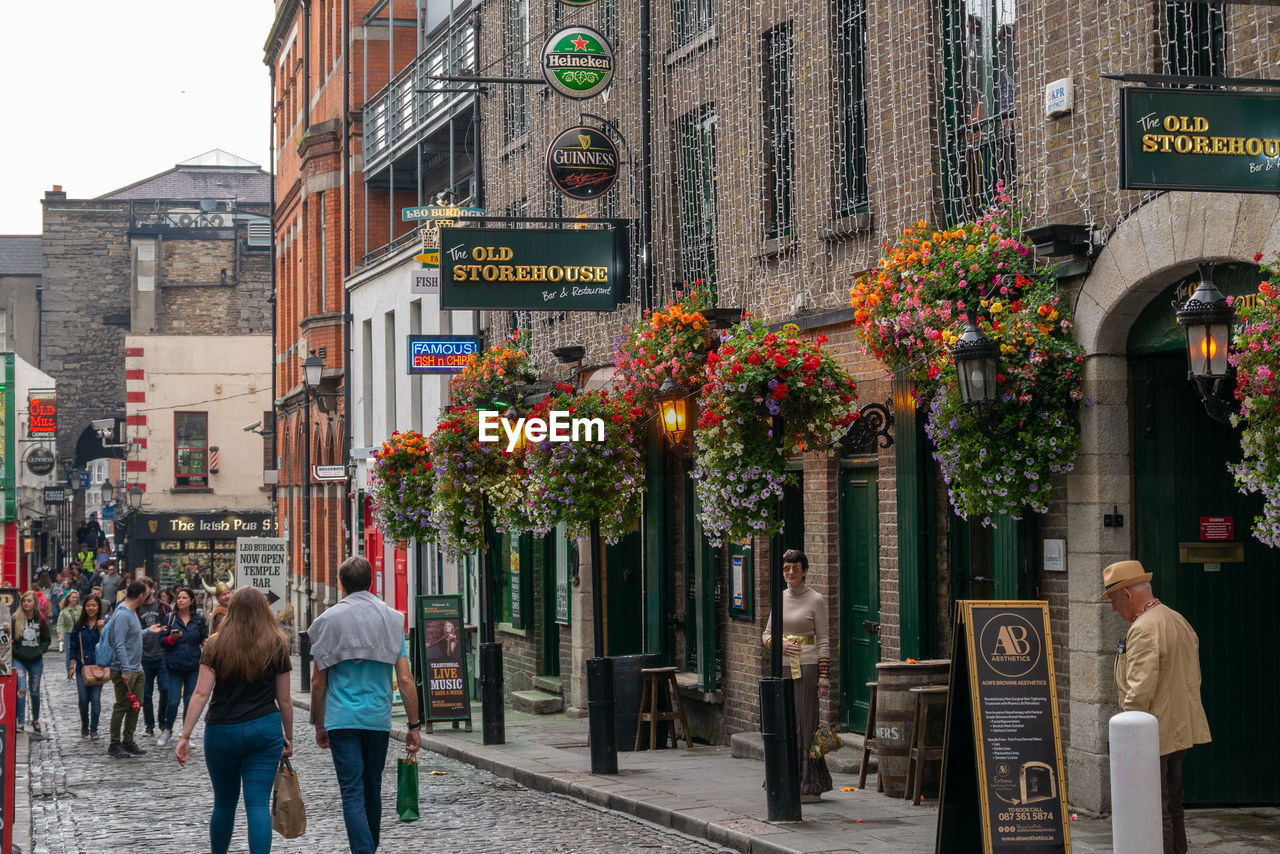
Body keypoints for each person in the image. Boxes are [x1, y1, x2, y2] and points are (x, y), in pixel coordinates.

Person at [309, 556, 421, 854]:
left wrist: (319, 723)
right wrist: (414, 725)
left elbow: (318, 682)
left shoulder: (327, 622)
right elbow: (406, 679)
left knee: (352, 791)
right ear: (371, 580)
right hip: (377, 718)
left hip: (342, 719)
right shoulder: (391, 619)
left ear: (340, 584)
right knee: (372, 788)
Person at [1102, 560, 1211, 854]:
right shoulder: (1176, 619)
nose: (1113, 608)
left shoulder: (1143, 629)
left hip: (1151, 733)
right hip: (1177, 728)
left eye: (1113, 600)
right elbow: (1193, 676)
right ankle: (1177, 849)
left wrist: (1128, 716)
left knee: (1153, 803)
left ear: (1127, 594)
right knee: (1172, 798)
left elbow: (1139, 692)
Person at [174, 587, 294, 854]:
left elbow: (201, 692)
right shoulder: (277, 643)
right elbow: (284, 699)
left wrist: (185, 735)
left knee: (224, 803)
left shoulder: (215, 644)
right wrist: (289, 735)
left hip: (222, 730)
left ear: (232, 610)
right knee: (257, 805)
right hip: (264, 729)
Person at [762, 548, 833, 804]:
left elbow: (824, 639)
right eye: (786, 569)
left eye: (795, 568)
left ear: (804, 571)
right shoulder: (779, 598)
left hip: (807, 667)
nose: (790, 573)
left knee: (805, 724)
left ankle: (809, 785)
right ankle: (784, 780)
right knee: (785, 723)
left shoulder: (816, 600)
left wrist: (824, 677)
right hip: (783, 667)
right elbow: (767, 634)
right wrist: (779, 644)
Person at [161, 586, 208, 745]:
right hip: (174, 665)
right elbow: (162, 642)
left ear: (192, 601)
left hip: (193, 665)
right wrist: (171, 639)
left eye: (184, 598)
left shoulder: (198, 619)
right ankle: (167, 729)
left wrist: (206, 643)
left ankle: (185, 734)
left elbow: (203, 638)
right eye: (179, 598)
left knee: (190, 700)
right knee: (173, 701)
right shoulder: (170, 618)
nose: (180, 600)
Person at [107, 580, 147, 759]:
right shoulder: (122, 614)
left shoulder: (132, 612)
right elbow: (119, 644)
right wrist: (125, 669)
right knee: (122, 705)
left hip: (136, 667)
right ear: (140, 595)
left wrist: (148, 631)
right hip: (125, 668)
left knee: (136, 705)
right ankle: (114, 744)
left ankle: (128, 740)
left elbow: (132, 637)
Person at [13, 591, 52, 734]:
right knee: (21, 690)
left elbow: (47, 639)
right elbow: (8, 638)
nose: (26, 603)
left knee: (35, 691)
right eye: (24, 601)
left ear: (34, 602)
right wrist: (15, 651)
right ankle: (21, 722)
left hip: (35, 660)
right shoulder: (16, 619)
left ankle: (35, 720)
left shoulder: (40, 620)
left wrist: (40, 650)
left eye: (29, 601)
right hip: (19, 660)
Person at [138, 578, 171, 742]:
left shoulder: (163, 607)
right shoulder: (136, 608)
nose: (143, 593)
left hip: (162, 653)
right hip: (144, 655)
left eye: (146, 589)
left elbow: (171, 626)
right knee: (146, 693)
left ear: (152, 588)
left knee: (165, 689)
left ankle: (162, 722)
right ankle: (149, 725)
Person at [70, 594, 107, 738]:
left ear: (98, 607)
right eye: (88, 605)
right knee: (83, 699)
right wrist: (71, 666)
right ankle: (85, 723)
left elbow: (107, 645)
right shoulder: (79, 625)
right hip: (82, 668)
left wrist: (100, 630)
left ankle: (94, 728)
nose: (91, 608)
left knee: (96, 699)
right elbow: (73, 647)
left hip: (99, 667)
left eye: (94, 605)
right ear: (84, 607)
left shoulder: (103, 624)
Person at [57, 588, 83, 676]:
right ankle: (69, 672)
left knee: (81, 651)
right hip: (68, 634)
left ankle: (81, 670)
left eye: (76, 597)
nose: (74, 599)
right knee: (69, 653)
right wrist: (61, 635)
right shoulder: (64, 611)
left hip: (80, 633)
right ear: (69, 598)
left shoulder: (81, 609)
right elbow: (60, 624)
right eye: (73, 597)